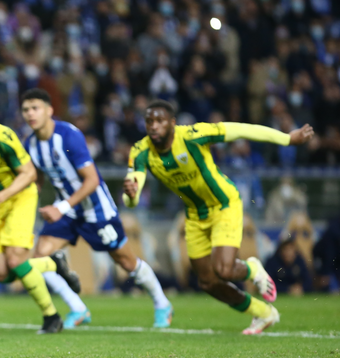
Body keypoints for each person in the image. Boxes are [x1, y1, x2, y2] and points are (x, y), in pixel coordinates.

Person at [123, 100, 314, 334]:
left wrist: (287, 138)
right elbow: (133, 193)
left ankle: (252, 269)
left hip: (224, 204)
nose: (154, 126)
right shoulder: (140, 151)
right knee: (207, 282)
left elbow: (242, 129)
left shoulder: (193, 135)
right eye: (149, 121)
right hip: (194, 216)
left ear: (172, 123)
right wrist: (131, 194)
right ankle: (263, 313)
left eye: (160, 121)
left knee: (223, 270)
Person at [20, 89, 173, 329]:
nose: (30, 114)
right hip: (68, 211)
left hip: (96, 209)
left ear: (49, 111)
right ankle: (78, 308)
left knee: (125, 261)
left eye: (35, 108)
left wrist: (60, 206)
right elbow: (37, 177)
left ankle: (162, 303)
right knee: (40, 256)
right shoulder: (31, 143)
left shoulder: (69, 136)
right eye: (26, 109)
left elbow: (91, 179)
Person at [0, 88, 81, 333]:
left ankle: (51, 316)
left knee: (15, 258)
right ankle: (52, 263)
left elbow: (29, 174)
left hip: (19, 197)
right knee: (2, 274)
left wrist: (0, 196)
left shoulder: (2, 136)